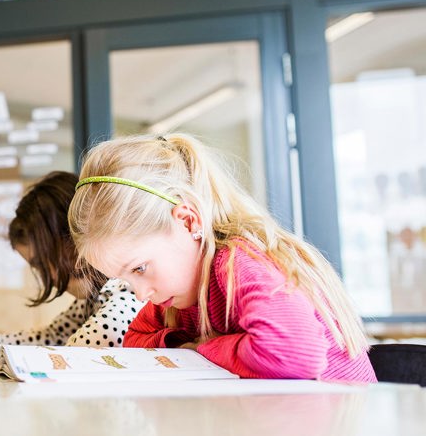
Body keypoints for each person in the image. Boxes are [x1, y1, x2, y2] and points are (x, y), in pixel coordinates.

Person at [68, 133, 376, 382]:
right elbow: (135, 339)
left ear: (188, 222)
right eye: (125, 280)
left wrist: (200, 349)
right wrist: (181, 346)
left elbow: (292, 354)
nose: (140, 292)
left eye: (140, 268)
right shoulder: (177, 299)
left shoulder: (240, 261)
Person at [0, 171, 144, 363]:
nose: (45, 276)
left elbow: (74, 357)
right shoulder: (95, 296)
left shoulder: (127, 292)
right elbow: (48, 338)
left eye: (42, 263)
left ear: (72, 239)